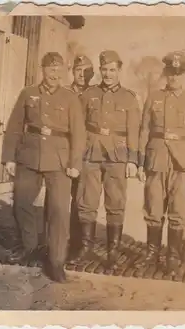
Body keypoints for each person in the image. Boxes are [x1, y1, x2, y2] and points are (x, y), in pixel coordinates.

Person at [2, 52, 86, 282]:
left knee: (58, 211)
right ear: (43, 70)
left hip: (60, 161)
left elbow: (79, 133)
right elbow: (15, 126)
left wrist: (75, 163)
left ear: (63, 72)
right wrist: (9, 157)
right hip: (29, 156)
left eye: (59, 69)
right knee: (21, 202)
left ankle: (56, 261)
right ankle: (32, 249)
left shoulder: (70, 98)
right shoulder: (28, 93)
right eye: (50, 69)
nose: (54, 74)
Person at [136, 51, 185, 277]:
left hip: (182, 165)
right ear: (166, 73)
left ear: (184, 74)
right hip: (156, 160)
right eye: (171, 72)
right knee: (153, 209)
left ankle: (174, 257)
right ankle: (152, 253)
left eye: (178, 73)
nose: (174, 77)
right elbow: (144, 130)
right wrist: (140, 162)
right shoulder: (154, 97)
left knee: (179, 212)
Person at [71, 50, 141, 268]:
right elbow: (78, 126)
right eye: (104, 70)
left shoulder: (129, 98)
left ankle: (113, 252)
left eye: (112, 70)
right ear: (99, 70)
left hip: (117, 155)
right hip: (91, 153)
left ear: (119, 71)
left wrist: (132, 160)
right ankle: (85, 248)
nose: (108, 74)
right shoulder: (89, 94)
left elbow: (134, 131)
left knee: (116, 203)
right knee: (86, 202)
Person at [67, 54, 95, 257]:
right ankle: (57, 239)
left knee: (81, 198)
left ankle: (77, 243)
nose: (82, 75)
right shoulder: (64, 93)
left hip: (85, 154)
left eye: (86, 72)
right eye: (78, 71)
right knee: (59, 197)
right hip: (65, 151)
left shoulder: (95, 95)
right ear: (72, 72)